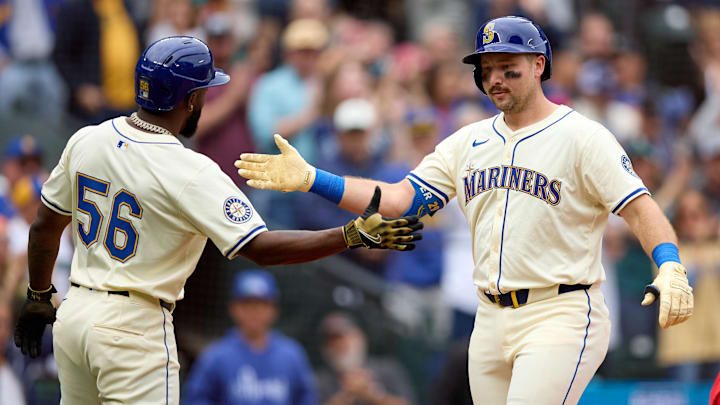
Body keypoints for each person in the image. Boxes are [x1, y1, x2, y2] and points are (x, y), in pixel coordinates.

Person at [236, 16, 694, 405]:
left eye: (508, 68)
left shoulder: (582, 137)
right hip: (489, 319)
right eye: (487, 68)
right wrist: (314, 178)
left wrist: (669, 263)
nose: (495, 78)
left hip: (560, 312)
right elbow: (400, 201)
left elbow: (638, 206)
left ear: (539, 66)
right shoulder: (467, 141)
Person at [12, 36, 422, 405]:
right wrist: (348, 234)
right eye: (204, 91)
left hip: (75, 313)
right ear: (189, 100)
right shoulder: (192, 170)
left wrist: (37, 297)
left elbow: (45, 226)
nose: (206, 99)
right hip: (133, 328)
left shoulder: (88, 138)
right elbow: (260, 249)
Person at [183, 270, 316, 405]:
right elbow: (195, 399)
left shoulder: (291, 355)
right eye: (247, 304)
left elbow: (307, 399)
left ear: (274, 310)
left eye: (261, 304)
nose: (254, 311)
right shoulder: (216, 356)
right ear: (233, 308)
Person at [315, 312, 415, 405]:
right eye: (330, 341)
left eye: (341, 338)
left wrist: (371, 394)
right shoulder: (319, 380)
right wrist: (347, 394)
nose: (337, 345)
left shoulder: (387, 369)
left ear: (359, 338)